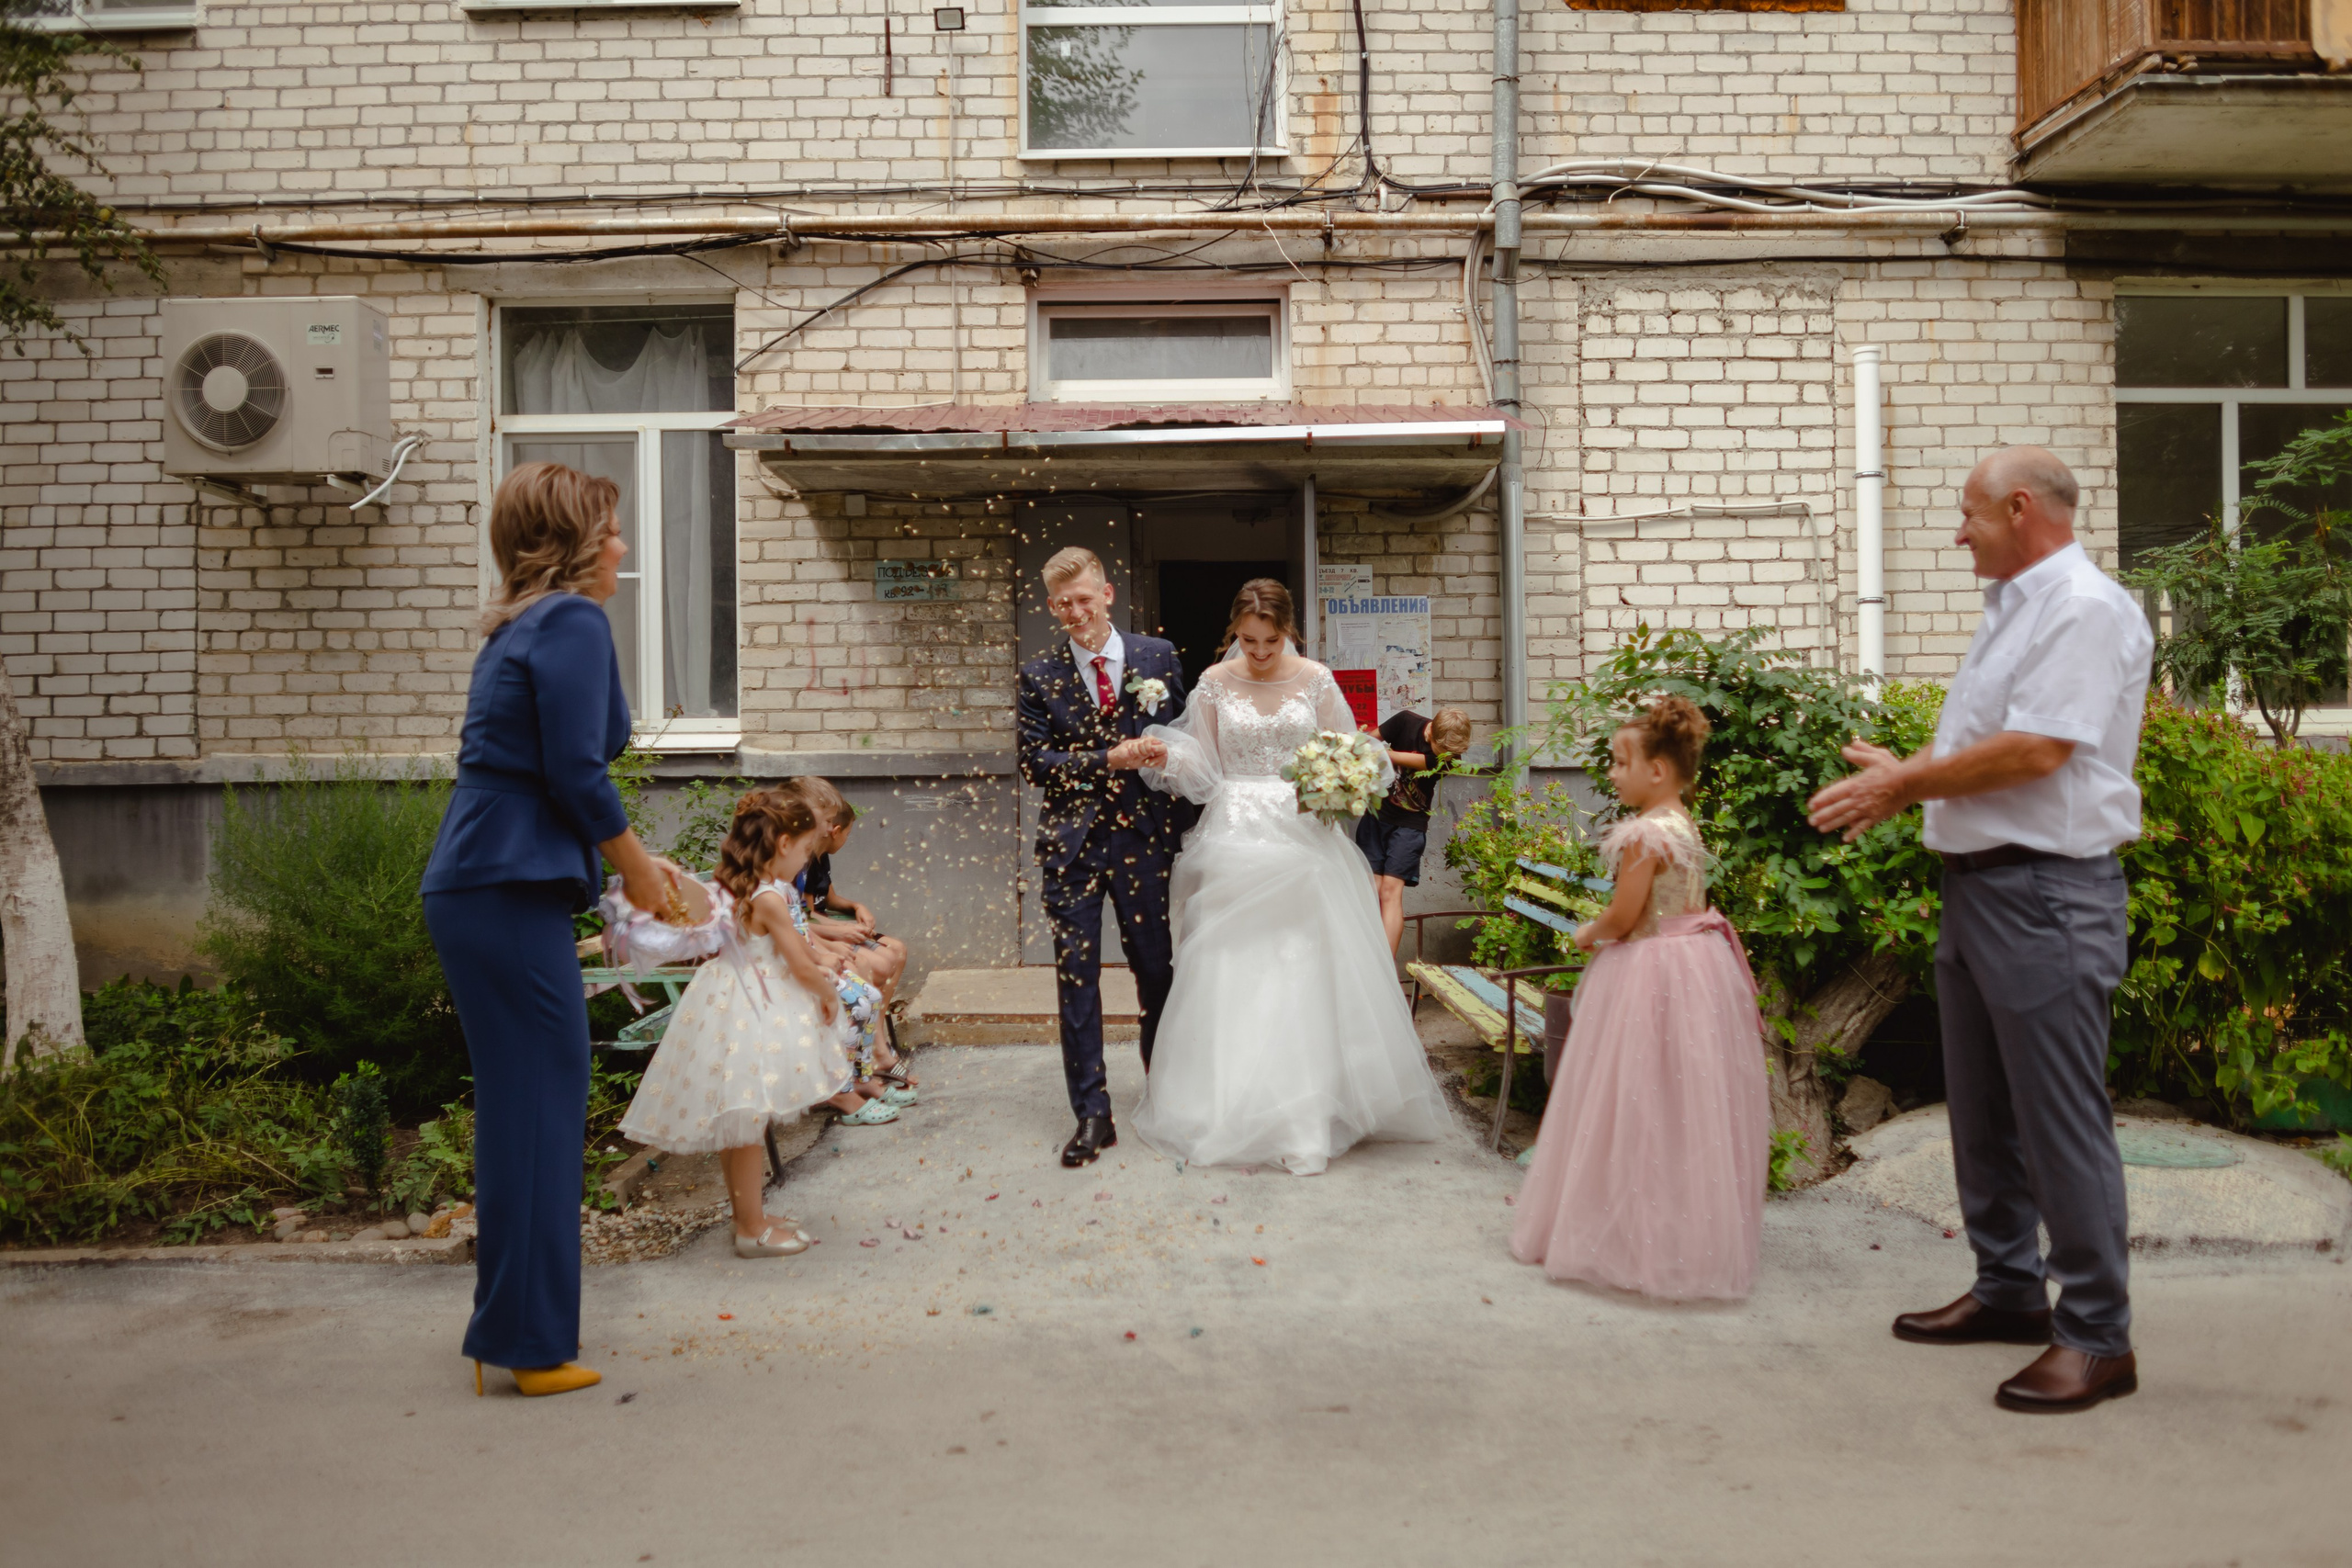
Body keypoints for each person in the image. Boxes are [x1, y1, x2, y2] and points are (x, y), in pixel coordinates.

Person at [1806, 445, 2153, 1415]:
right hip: (1984, 889)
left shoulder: (2080, 607)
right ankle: (2008, 1288)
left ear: (2019, 508)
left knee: (2058, 1119)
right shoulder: (2015, 608)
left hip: (2048, 893)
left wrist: (1905, 783)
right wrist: (1907, 773)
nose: (1958, 533)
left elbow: (2038, 750)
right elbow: (1983, 741)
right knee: (1985, 1109)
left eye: (1969, 515)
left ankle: (2098, 1336)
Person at [421, 461, 677, 1400]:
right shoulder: (569, 620)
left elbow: (540, 773)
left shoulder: (517, 626)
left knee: (522, 1104)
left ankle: (511, 1328)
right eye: (608, 531)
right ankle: (529, 1346)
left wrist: (636, 861)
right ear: (570, 544)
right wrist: (637, 871)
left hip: (485, 880)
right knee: (541, 1102)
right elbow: (575, 770)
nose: (621, 547)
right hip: (506, 885)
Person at [1132, 579, 1451, 1175]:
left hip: (1303, 832)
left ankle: (1302, 1116)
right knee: (1230, 966)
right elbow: (1203, 762)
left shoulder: (1316, 679)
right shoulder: (1213, 682)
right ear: (1234, 632)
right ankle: (1223, 1108)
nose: (1257, 652)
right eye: (1247, 640)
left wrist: (1346, 779)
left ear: (1288, 632)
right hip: (1233, 832)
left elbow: (1353, 748)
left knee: (1298, 966)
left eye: (1269, 641)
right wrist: (1169, 755)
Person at [1510, 698, 1770, 1300]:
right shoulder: (1682, 822)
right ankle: (1675, 1233)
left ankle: (1623, 1234)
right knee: (1679, 1101)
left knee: (1626, 1097)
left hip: (1649, 970)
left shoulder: (1643, 833)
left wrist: (1587, 932)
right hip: (1695, 966)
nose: (1612, 772)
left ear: (1657, 770)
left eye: (1620, 762)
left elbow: (1625, 916)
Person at [616, 790, 866, 1257]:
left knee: (739, 1126)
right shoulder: (770, 897)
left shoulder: (734, 887)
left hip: (724, 1002)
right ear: (783, 844)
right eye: (804, 849)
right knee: (748, 1123)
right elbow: (799, 963)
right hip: (756, 1007)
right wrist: (826, 993)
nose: (805, 859)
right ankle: (752, 1230)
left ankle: (747, 1217)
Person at [1013, 547, 1191, 1168]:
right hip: (1073, 848)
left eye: (1084, 599)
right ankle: (1092, 1113)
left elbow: (1186, 739)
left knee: (1157, 972)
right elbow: (1037, 765)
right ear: (1051, 605)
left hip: (1145, 840)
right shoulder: (1039, 673)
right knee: (1077, 979)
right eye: (1063, 603)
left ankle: (1166, 1090)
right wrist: (1105, 759)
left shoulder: (1158, 657)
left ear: (1107, 594)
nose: (1075, 611)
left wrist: (1168, 759)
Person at [777, 777, 916, 1109]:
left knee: (896, 951)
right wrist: (834, 938)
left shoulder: (812, 857)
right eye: (827, 821)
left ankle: (873, 1052)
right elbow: (802, 917)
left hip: (814, 936)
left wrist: (855, 908)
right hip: (805, 944)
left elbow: (817, 905)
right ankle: (864, 1062)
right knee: (867, 964)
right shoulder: (794, 861)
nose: (830, 828)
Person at [1354, 706, 1473, 954]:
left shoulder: (1449, 757)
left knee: (1390, 891)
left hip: (1410, 827)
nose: (1448, 757)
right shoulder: (1405, 721)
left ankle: (1386, 967)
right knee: (1371, 890)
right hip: (1376, 818)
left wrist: (1379, 752)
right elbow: (1366, 742)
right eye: (1443, 750)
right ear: (1432, 733)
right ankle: (1365, 960)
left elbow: (1394, 757)